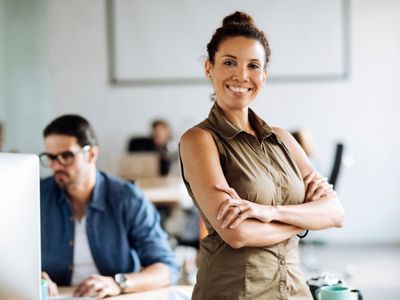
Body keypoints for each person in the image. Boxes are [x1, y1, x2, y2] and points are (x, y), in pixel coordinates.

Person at [179, 11, 345, 300]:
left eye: (253, 66)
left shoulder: (282, 139)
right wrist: (305, 219)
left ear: (264, 76)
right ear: (209, 68)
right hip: (234, 293)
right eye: (229, 62)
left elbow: (335, 213)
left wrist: (269, 214)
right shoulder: (199, 140)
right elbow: (238, 233)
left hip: (294, 290)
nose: (242, 76)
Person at [39, 115, 179, 298]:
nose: (56, 166)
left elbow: (167, 268)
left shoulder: (127, 198)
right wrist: (35, 280)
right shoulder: (36, 196)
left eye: (66, 156)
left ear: (92, 154)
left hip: (114, 297)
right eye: (50, 157)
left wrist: (119, 283)